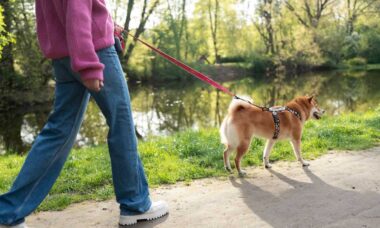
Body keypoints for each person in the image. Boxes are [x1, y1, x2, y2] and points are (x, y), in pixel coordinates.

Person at [0, 0, 168, 227]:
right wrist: (88, 62)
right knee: (122, 124)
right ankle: (135, 204)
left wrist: (105, 25)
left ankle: (8, 212)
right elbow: (78, 9)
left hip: (64, 55)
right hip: (92, 52)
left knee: (58, 131)